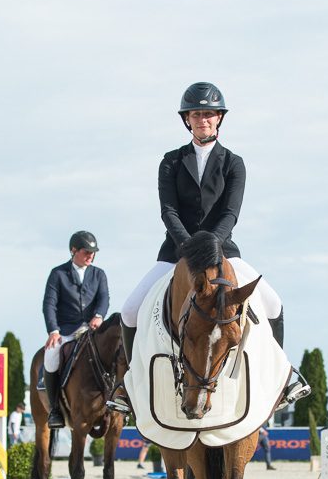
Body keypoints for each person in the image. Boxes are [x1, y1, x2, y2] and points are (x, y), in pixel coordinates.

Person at [118, 81, 306, 406]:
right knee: (130, 311)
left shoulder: (234, 163)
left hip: (222, 251)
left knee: (273, 304)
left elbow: (230, 213)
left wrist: (210, 249)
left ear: (219, 118)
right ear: (187, 120)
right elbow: (168, 211)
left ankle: (280, 379)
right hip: (176, 251)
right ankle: (130, 383)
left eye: (208, 114)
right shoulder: (171, 161)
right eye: (196, 114)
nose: (202, 119)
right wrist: (188, 247)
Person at [42, 231, 109, 428]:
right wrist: (53, 330)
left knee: (114, 351)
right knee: (51, 355)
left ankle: (118, 402)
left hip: (92, 329)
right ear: (73, 250)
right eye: (86, 252)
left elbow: (104, 297)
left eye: (92, 252)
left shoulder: (99, 274)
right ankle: (55, 409)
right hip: (66, 330)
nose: (90, 255)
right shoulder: (58, 274)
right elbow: (49, 303)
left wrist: (99, 315)